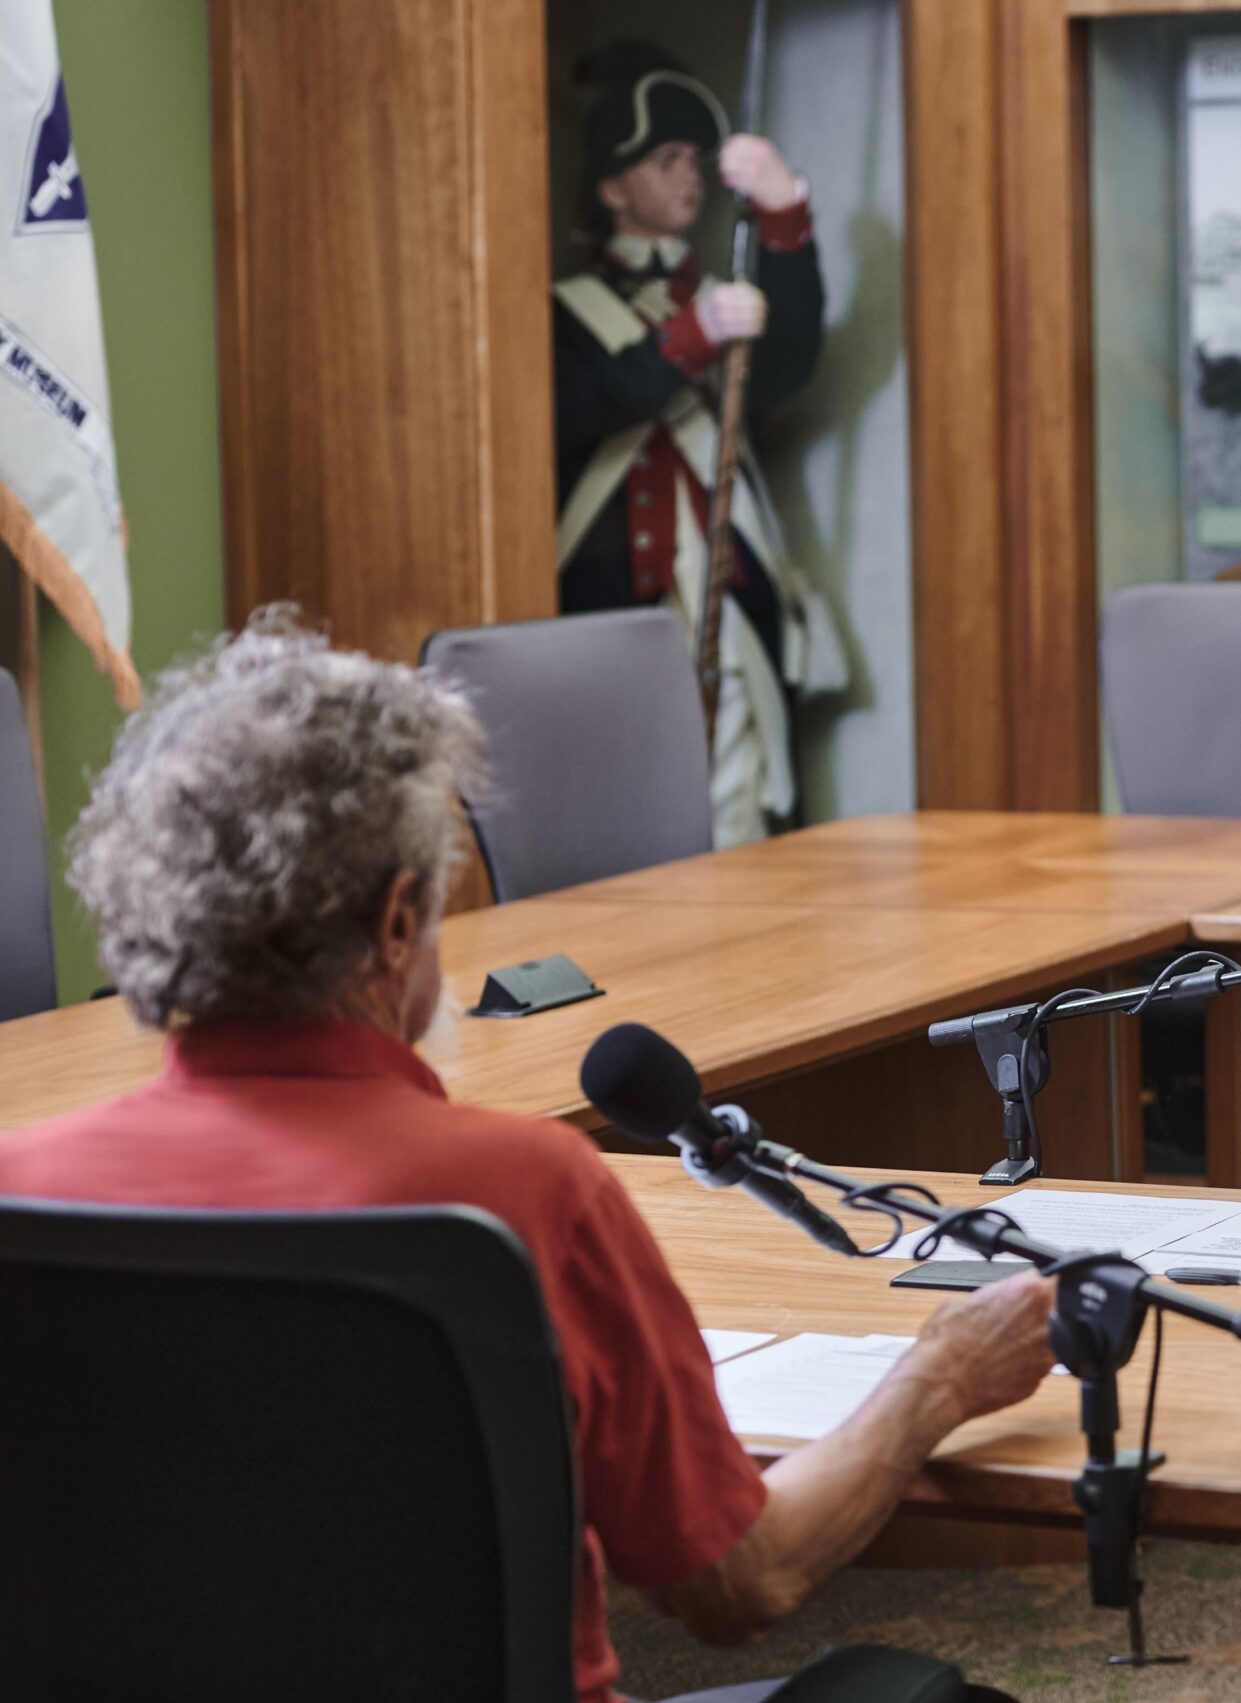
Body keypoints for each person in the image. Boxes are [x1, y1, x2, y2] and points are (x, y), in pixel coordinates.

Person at [0, 612, 1048, 1703]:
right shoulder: (523, 1191)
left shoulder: (15, 1185)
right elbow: (739, 1580)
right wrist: (939, 1376)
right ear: (398, 923)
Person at [554, 41, 850, 847]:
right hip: (613, 609)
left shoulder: (721, 297)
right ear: (615, 187)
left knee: (739, 805)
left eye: (694, 158)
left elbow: (788, 366)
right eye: (665, 159)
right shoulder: (565, 312)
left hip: (730, 597)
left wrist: (785, 218)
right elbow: (585, 408)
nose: (688, 175)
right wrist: (690, 338)